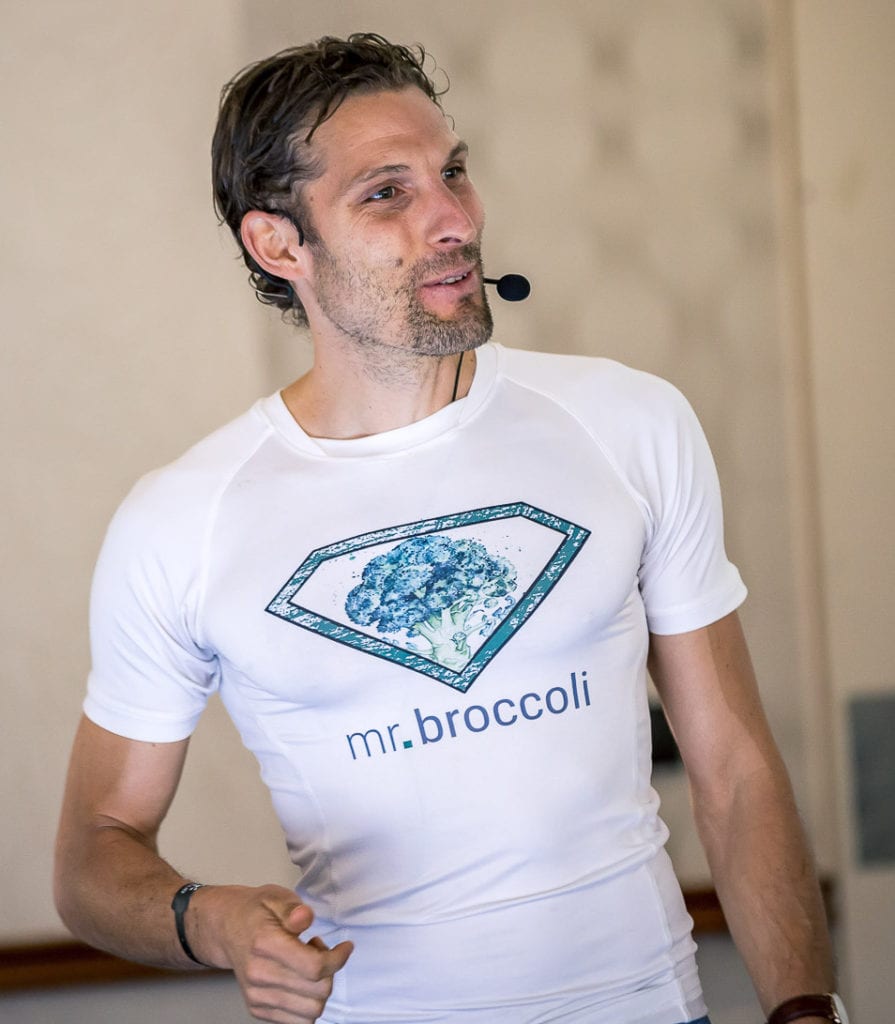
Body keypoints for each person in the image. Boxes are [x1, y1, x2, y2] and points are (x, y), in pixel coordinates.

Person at [54, 33, 844, 1024]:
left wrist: (805, 1012)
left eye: (453, 172)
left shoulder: (627, 422)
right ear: (279, 245)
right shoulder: (181, 521)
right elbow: (93, 854)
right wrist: (210, 921)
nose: (454, 220)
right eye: (386, 192)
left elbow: (732, 768)